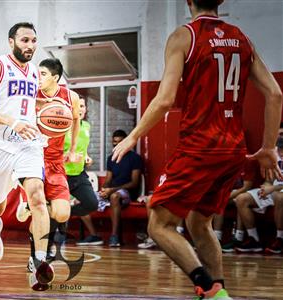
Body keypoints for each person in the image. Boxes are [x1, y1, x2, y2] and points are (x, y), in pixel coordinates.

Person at [112, 0, 282, 298]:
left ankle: (207, 286)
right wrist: (268, 147)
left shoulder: (184, 36)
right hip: (233, 148)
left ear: (188, 1)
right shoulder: (242, 38)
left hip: (200, 146)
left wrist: (134, 135)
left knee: (159, 225)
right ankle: (221, 293)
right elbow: (275, 93)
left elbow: (165, 100)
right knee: (198, 222)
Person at [0, 22, 53, 291]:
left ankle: (39, 262)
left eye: (34, 41)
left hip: (27, 144)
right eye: (25, 40)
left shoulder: (33, 72)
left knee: (38, 196)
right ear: (11, 42)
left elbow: (24, 102)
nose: (30, 45)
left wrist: (49, 108)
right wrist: (11, 121)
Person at [20, 58, 80, 271]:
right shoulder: (30, 95)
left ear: (55, 77)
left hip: (55, 161)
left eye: (43, 74)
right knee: (40, 209)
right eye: (38, 73)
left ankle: (34, 207)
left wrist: (72, 149)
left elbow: (76, 121)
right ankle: (34, 258)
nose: (38, 77)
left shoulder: (70, 96)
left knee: (62, 213)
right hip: (32, 158)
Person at [77, 129, 143, 247]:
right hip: (111, 190)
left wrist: (111, 190)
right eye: (114, 142)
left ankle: (114, 236)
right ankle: (94, 235)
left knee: (114, 196)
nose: (116, 144)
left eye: (119, 142)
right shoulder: (111, 158)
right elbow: (108, 180)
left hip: (127, 192)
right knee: (82, 199)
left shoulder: (134, 158)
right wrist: (103, 190)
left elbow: (134, 183)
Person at [235, 138, 283, 253]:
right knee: (241, 199)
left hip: (278, 192)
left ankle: (280, 239)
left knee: (279, 197)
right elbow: (269, 180)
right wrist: (265, 187)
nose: (280, 152)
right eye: (280, 150)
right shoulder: (273, 154)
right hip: (273, 190)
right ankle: (254, 240)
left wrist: (272, 189)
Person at [64, 97, 101, 246]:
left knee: (92, 204)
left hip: (79, 175)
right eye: (77, 106)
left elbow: (82, 149)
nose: (80, 109)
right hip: (62, 175)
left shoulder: (86, 126)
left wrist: (86, 157)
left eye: (83, 106)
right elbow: (52, 154)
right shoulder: (63, 127)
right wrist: (67, 158)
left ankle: (62, 214)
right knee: (57, 209)